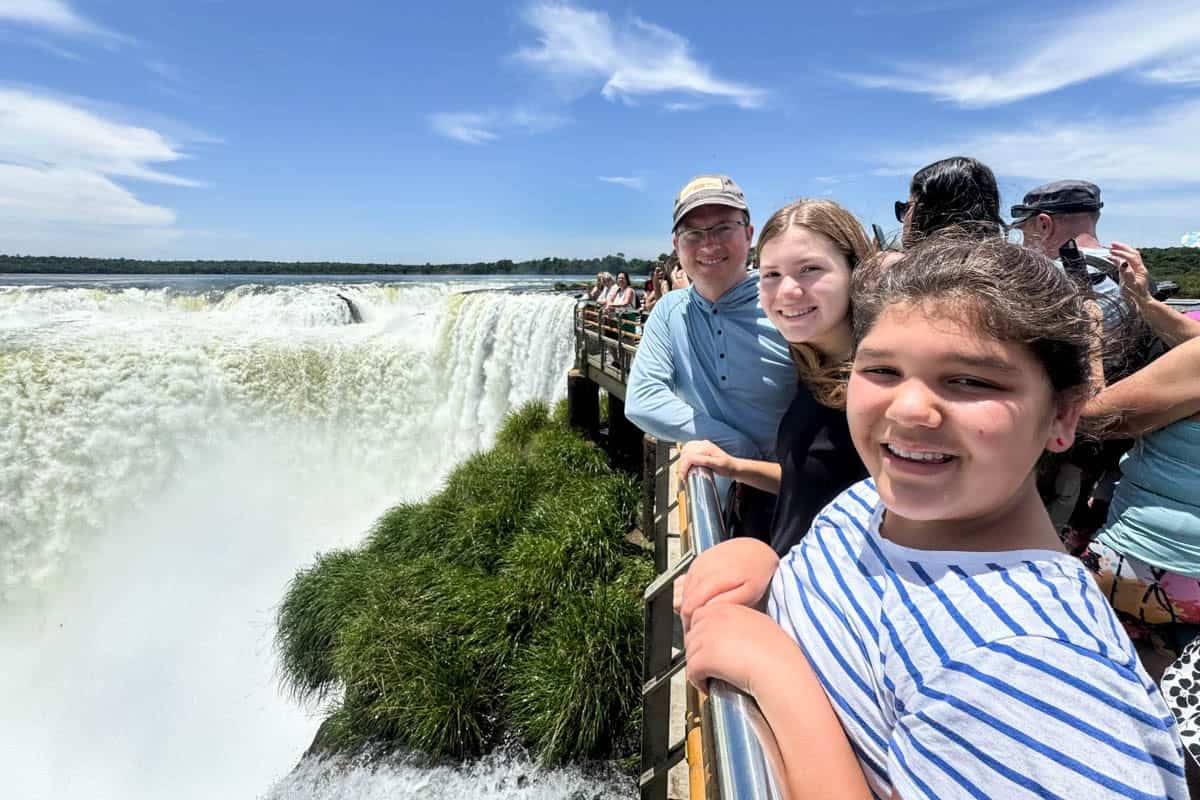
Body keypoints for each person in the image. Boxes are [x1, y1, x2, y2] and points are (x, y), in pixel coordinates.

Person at [681, 236, 1185, 799]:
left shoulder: (1025, 664)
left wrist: (775, 676)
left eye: (970, 380)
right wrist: (768, 565)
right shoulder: (867, 504)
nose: (911, 408)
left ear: (1062, 417)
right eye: (883, 371)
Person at [675, 199, 873, 555]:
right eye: (771, 275)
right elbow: (813, 485)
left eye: (810, 269)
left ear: (853, 269)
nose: (788, 291)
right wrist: (735, 467)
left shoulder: (878, 385)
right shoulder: (812, 367)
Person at [626, 174, 796, 539]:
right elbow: (641, 400)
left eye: (723, 228)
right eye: (694, 234)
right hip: (719, 498)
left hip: (791, 500)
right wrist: (735, 445)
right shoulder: (670, 311)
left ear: (749, 234)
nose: (709, 244)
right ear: (676, 244)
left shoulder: (787, 304)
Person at [1010, 180, 1127, 334]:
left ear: (1044, 224)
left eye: (1025, 232)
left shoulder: (1048, 278)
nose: (1023, 244)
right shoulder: (1130, 269)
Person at [896, 156, 1005, 247]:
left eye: (906, 207)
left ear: (930, 215)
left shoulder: (917, 271)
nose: (904, 218)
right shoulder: (1014, 266)